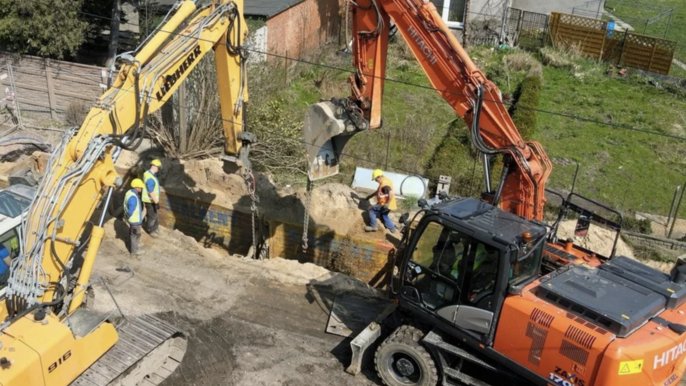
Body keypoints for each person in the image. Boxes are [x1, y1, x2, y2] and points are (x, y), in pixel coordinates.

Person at [364, 169, 397, 233]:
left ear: (379, 177)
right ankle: (392, 229)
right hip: (390, 205)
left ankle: (373, 226)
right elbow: (379, 191)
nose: (375, 181)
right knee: (384, 215)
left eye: (376, 179)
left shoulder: (385, 184)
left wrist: (387, 203)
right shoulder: (385, 180)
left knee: (371, 210)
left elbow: (391, 193)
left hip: (385, 204)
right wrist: (370, 196)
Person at [125, 179, 147, 256]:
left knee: (136, 234)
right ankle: (134, 251)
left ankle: (135, 246)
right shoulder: (133, 198)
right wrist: (128, 216)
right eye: (140, 187)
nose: (141, 189)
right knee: (135, 235)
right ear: (136, 187)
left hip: (135, 220)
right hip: (135, 221)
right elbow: (131, 210)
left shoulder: (130, 193)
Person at [142, 159, 161, 237]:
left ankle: (155, 228)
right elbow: (151, 191)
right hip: (150, 200)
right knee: (152, 216)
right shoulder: (150, 177)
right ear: (154, 167)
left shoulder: (148, 174)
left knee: (154, 214)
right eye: (158, 167)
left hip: (151, 200)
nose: (158, 169)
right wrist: (156, 202)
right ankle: (150, 230)